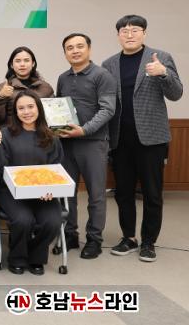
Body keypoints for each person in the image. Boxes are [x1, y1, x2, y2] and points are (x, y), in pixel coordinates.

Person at [102, 14, 183, 262]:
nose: (129, 34)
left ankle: (149, 242)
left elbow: (176, 93)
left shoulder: (161, 58)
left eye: (135, 30)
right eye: (124, 31)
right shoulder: (109, 64)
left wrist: (163, 73)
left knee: (152, 193)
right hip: (120, 139)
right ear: (118, 35)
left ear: (144, 33)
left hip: (151, 139)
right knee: (123, 193)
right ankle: (129, 237)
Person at [0, 90, 63, 275]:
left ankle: (36, 256)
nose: (26, 112)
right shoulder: (5, 134)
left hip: (43, 192)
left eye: (30, 106)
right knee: (23, 220)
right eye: (21, 108)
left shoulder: (51, 136)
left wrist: (52, 189)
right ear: (15, 112)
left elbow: (56, 169)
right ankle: (17, 258)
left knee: (52, 221)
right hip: (10, 191)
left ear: (38, 108)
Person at [57, 33, 116, 259]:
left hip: (93, 143)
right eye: (70, 48)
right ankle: (70, 234)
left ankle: (94, 239)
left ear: (89, 49)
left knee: (96, 194)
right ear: (65, 53)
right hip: (67, 143)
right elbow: (60, 108)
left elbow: (107, 109)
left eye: (80, 46)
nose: (75, 51)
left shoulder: (102, 75)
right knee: (67, 192)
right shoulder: (63, 78)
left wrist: (84, 130)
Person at [0, 46, 54, 126]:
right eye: (18, 61)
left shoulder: (45, 87)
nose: (22, 64)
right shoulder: (4, 87)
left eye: (26, 60)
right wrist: (0, 96)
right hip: (12, 132)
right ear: (11, 65)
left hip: (40, 132)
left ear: (33, 63)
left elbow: (53, 114)